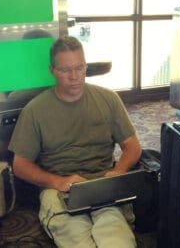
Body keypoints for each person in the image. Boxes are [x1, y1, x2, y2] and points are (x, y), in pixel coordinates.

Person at [8, 36, 142, 248]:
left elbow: (132, 146)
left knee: (118, 242)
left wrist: (119, 171)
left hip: (102, 183)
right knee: (79, 241)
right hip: (59, 189)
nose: (74, 77)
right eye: (65, 70)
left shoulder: (108, 99)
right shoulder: (35, 111)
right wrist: (57, 182)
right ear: (52, 71)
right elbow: (20, 166)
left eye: (79, 68)